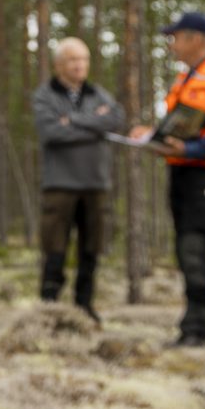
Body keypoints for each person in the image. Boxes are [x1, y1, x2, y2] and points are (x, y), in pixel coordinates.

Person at [129, 11, 205, 347]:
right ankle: (193, 326)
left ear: (196, 39)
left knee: (194, 248)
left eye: (176, 37)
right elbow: (179, 125)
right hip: (181, 170)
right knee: (185, 251)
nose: (172, 44)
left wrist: (192, 148)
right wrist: (153, 138)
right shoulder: (185, 78)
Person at [31, 37, 125, 324]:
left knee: (91, 247)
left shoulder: (99, 94)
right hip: (59, 184)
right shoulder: (45, 95)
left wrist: (71, 121)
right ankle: (50, 305)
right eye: (73, 60)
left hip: (95, 183)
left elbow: (115, 120)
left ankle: (84, 306)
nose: (79, 65)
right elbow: (50, 133)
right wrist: (92, 125)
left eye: (84, 59)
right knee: (54, 245)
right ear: (59, 65)